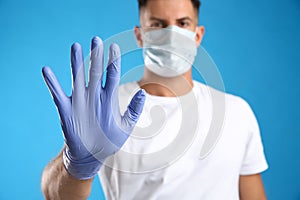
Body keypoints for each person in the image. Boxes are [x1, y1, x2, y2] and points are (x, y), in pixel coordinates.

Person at [41, 0, 268, 199]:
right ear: (140, 36)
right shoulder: (108, 107)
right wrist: (77, 166)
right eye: (158, 24)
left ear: (197, 35)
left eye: (182, 23)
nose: (171, 34)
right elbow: (55, 195)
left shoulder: (236, 112)